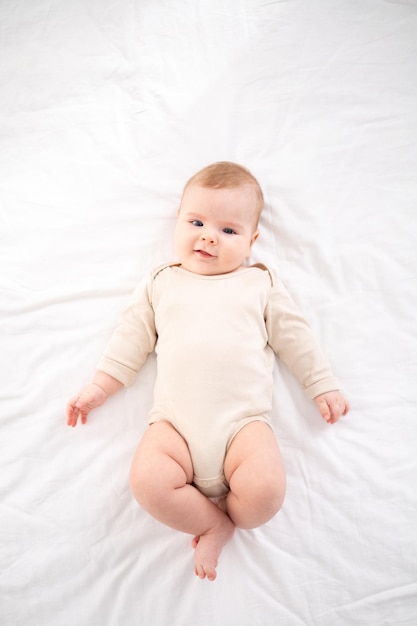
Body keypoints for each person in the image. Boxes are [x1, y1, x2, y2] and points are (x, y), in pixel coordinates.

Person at [66, 161, 349, 581]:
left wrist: (321, 384)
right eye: (196, 221)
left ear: (252, 241)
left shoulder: (259, 283)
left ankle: (236, 514)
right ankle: (213, 523)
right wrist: (99, 387)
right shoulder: (162, 281)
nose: (208, 236)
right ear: (177, 223)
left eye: (229, 231)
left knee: (266, 495)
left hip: (242, 426)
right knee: (147, 482)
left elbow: (296, 336)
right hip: (175, 427)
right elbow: (131, 338)